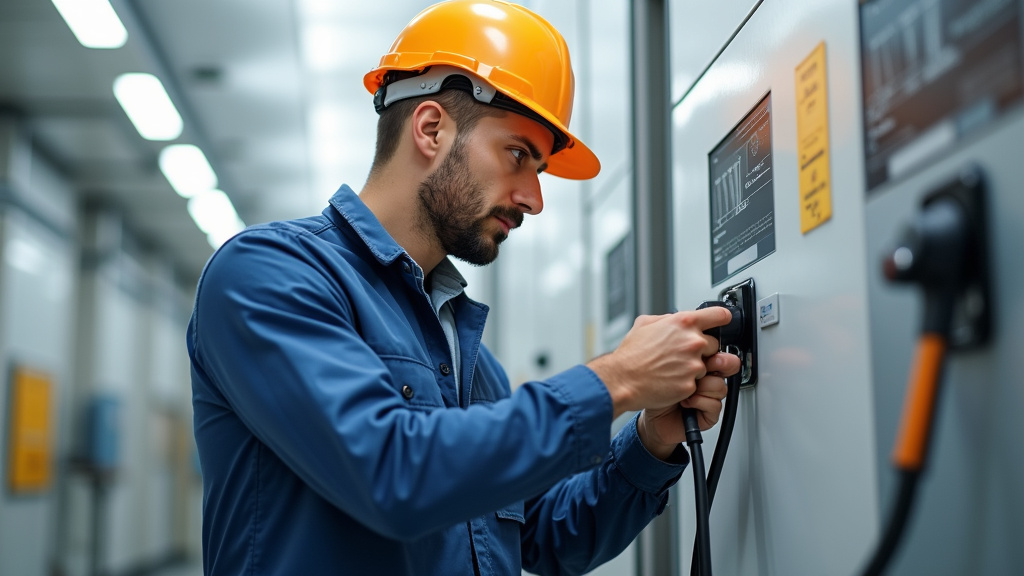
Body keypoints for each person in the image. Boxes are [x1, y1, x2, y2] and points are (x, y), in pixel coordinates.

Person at [187, 1, 740, 574]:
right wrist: (616, 380)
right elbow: (392, 476)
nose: (534, 198)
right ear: (431, 129)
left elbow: (548, 535)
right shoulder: (269, 274)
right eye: (518, 155)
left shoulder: (466, 354)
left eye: (539, 170)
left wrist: (651, 442)